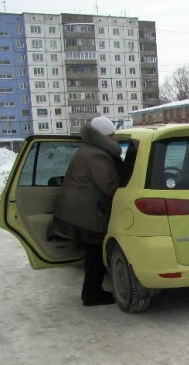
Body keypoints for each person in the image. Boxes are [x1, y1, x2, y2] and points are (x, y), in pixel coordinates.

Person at [51, 116, 123, 307]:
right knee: (97, 252)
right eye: (112, 136)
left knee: (93, 252)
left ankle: (92, 292)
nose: (115, 139)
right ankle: (92, 294)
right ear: (102, 137)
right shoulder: (96, 155)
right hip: (86, 213)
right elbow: (111, 186)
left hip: (78, 210)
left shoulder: (89, 151)